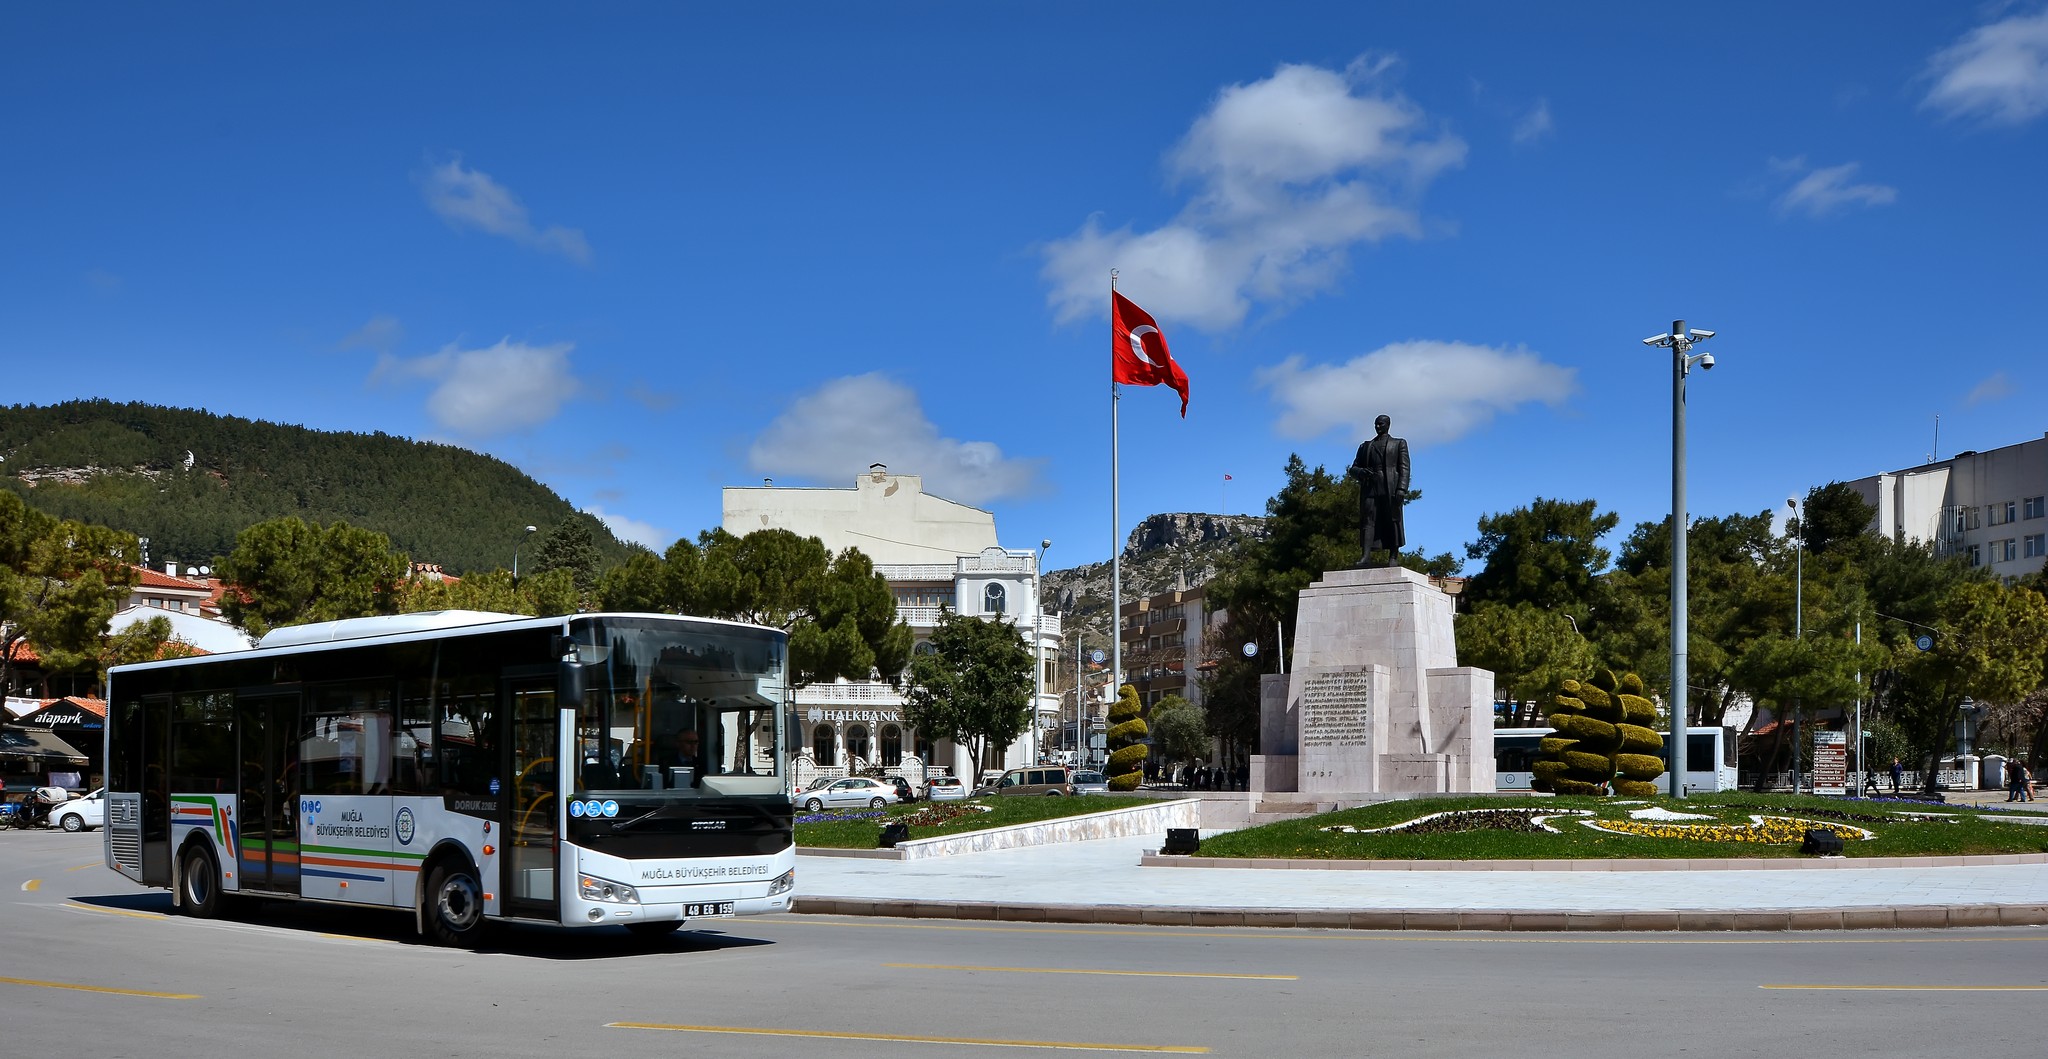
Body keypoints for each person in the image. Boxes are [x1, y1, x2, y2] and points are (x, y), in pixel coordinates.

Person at [1347, 414, 1411, 568]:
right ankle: (1366, 556)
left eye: (1381, 424)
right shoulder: (1365, 446)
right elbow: (1353, 468)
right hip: (1370, 487)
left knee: (1393, 520)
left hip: (1390, 487)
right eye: (1376, 424)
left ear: (1388, 425)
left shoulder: (1398, 443)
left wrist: (1401, 488)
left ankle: (1393, 556)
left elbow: (1404, 468)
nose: (1378, 427)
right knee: (1368, 521)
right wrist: (1361, 473)